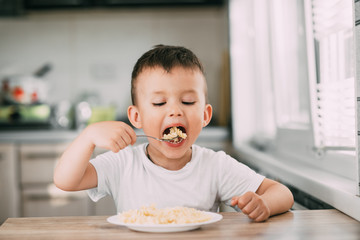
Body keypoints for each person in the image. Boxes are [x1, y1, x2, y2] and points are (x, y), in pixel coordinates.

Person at [54, 44, 294, 222]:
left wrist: (264, 204)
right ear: (136, 117)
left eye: (188, 102)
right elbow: (65, 180)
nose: (175, 112)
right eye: (159, 103)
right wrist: (88, 137)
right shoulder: (124, 163)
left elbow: (282, 193)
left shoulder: (215, 166)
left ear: (205, 115)